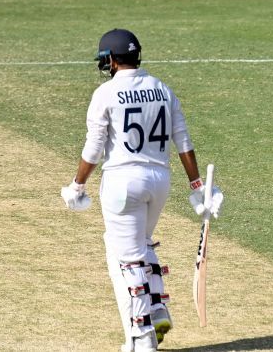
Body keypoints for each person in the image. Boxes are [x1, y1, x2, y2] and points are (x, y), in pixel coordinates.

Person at [61, 28, 223, 352]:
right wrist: (197, 188)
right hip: (159, 181)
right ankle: (157, 307)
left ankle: (141, 339)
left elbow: (94, 149)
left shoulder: (106, 94)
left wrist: (77, 186)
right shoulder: (162, 89)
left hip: (122, 183)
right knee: (140, 246)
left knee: (124, 261)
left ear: (111, 60)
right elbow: (184, 144)